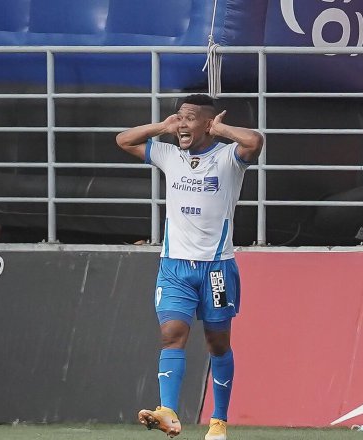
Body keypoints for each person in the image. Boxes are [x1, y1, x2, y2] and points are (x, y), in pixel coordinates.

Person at [116, 94, 263, 440]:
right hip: (174, 266)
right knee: (171, 335)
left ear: (208, 124)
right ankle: (168, 412)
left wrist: (223, 128)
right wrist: (163, 126)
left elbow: (255, 141)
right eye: (179, 117)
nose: (182, 124)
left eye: (190, 118)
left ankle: (218, 421)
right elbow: (123, 140)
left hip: (217, 268)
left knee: (217, 343)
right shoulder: (169, 155)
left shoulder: (228, 157)